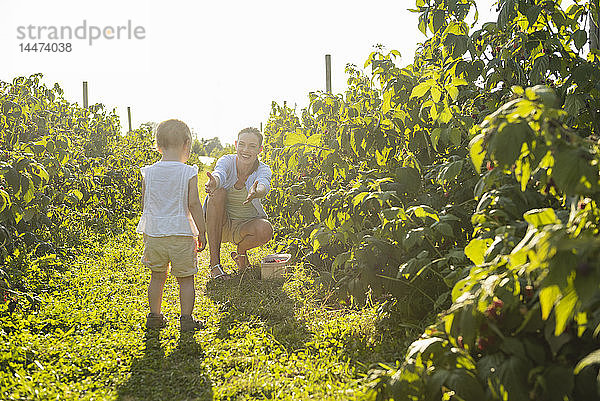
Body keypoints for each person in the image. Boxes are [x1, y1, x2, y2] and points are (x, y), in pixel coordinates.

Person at [136, 119, 207, 331]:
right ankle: (186, 320)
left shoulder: (148, 172)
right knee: (185, 279)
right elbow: (193, 203)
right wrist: (201, 230)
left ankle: (154, 317)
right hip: (181, 234)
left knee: (157, 277)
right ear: (187, 144)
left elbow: (144, 201)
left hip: (155, 234)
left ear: (158, 146)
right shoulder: (188, 172)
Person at [204, 127, 273, 279]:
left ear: (260, 149)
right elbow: (219, 173)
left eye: (252, 146)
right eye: (241, 144)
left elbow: (264, 184)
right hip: (222, 224)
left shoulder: (263, 169)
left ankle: (241, 251)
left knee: (266, 229)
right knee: (217, 193)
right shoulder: (227, 161)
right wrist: (214, 182)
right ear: (236, 144)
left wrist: (257, 191)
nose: (245, 150)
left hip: (245, 226)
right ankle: (215, 265)